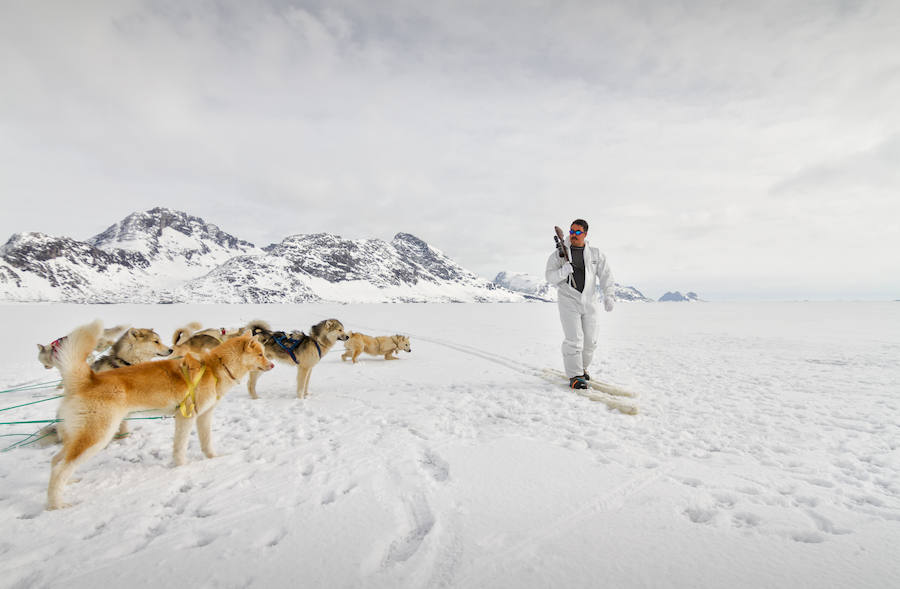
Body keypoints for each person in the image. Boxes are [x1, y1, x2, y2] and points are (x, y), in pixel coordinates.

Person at [545, 219, 615, 389]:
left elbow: (606, 275)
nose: (573, 235)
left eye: (578, 232)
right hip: (568, 300)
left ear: (585, 234)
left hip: (590, 302)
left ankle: (582, 368)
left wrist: (609, 295)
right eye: (571, 231)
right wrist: (563, 271)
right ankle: (575, 376)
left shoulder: (596, 254)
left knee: (590, 342)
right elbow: (549, 277)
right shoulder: (558, 255)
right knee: (574, 339)